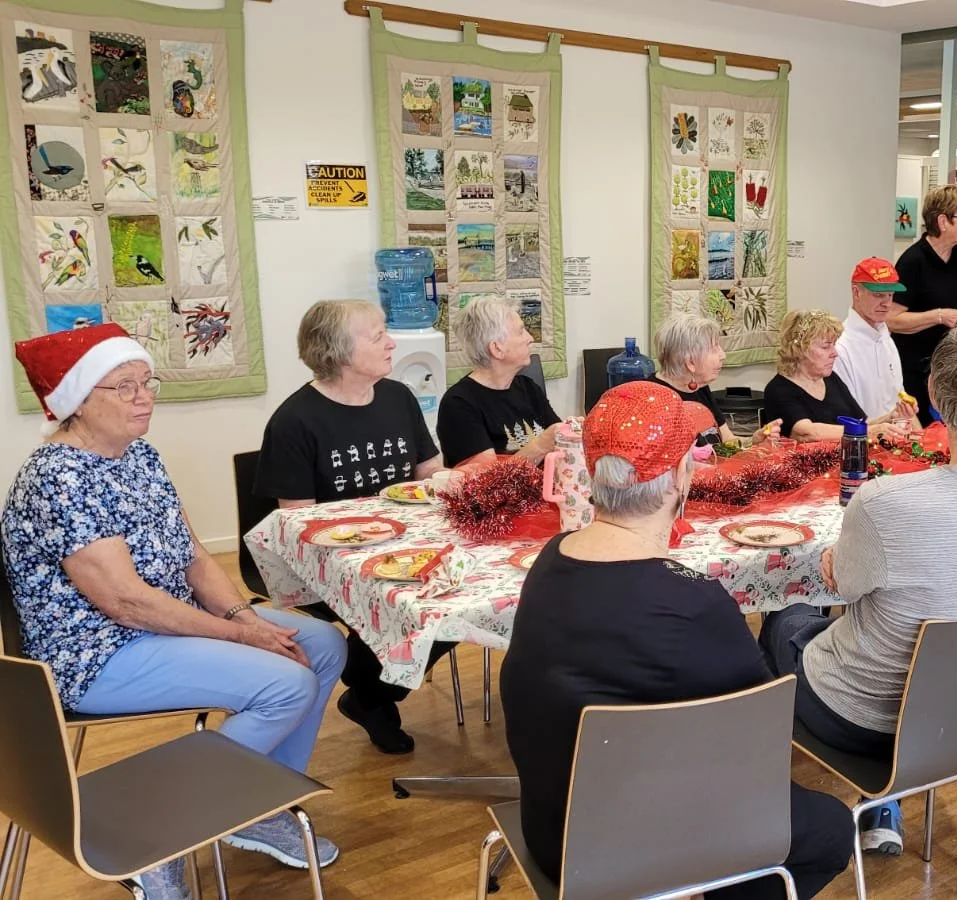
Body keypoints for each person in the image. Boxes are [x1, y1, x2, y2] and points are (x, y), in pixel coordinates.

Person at [2, 325, 345, 899]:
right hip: (94, 654)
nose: (144, 398)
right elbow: (126, 602)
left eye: (147, 383)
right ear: (78, 402)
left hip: (159, 627)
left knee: (322, 644)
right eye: (124, 387)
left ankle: (253, 805)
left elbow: (193, 557)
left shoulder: (139, 455)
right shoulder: (57, 476)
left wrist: (245, 619)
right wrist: (242, 638)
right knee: (286, 685)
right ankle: (159, 838)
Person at [500, 381, 852, 899]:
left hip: (557, 834)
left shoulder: (549, 560)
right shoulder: (693, 602)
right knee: (831, 828)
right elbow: (762, 738)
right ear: (679, 479)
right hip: (647, 847)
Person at [759, 318, 957, 856]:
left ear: (934, 395)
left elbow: (843, 587)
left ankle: (759, 807)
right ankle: (882, 799)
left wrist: (841, 564)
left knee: (786, 615)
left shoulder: (885, 501)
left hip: (864, 721)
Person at [255, 299, 451, 754]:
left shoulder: (398, 397)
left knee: (455, 602)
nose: (391, 343)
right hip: (334, 559)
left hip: (410, 544)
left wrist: (450, 482)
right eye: (377, 335)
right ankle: (373, 695)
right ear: (339, 350)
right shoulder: (294, 421)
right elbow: (299, 524)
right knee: (417, 607)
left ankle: (369, 692)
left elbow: (429, 472)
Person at [891, 185, 957, 425]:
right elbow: (892, 319)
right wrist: (939, 316)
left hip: (954, 364)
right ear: (943, 221)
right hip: (915, 367)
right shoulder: (912, 262)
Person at [436, 295, 563, 468]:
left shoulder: (528, 388)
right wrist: (541, 445)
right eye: (521, 331)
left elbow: (561, 447)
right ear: (497, 348)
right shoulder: (459, 404)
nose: (530, 338)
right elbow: (486, 478)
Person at [762, 310, 913, 442]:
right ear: (799, 350)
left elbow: (860, 424)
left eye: (834, 345)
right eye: (826, 346)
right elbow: (807, 432)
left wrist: (890, 418)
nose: (835, 353)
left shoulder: (831, 379)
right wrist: (871, 431)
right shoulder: (778, 389)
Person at [651, 311, 780, 445]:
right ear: (690, 362)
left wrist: (753, 441)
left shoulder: (699, 386)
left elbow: (727, 440)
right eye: (713, 349)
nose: (723, 355)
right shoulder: (655, 401)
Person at [834, 257, 915, 423]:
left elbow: (901, 397)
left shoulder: (886, 339)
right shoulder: (841, 348)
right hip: (865, 436)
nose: (887, 304)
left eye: (890, 295)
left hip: (897, 434)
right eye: (878, 295)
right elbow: (847, 419)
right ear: (856, 292)